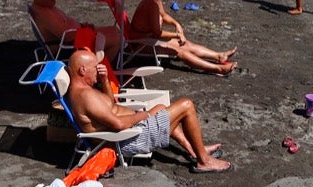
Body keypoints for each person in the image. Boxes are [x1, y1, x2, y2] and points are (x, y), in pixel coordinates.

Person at [63, 48, 230, 172]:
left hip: (129, 132)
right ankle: (204, 161)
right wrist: (143, 115)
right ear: (82, 70)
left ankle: (195, 150)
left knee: (161, 108)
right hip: (127, 139)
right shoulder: (85, 96)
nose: (98, 70)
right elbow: (118, 124)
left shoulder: (81, 91)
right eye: (95, 67)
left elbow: (109, 104)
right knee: (186, 105)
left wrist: (105, 79)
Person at [128, 0, 237, 74]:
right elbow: (157, 33)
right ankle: (218, 69)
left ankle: (218, 56)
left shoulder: (156, 0)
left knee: (186, 44)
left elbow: (164, 15)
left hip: (149, 39)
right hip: (140, 44)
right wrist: (176, 35)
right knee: (180, 52)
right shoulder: (151, 5)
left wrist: (176, 24)